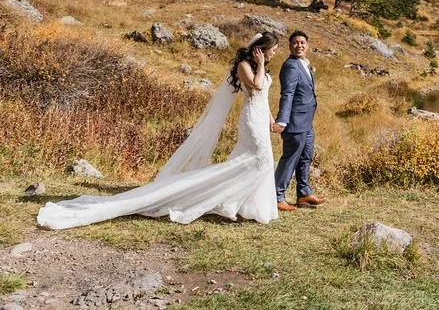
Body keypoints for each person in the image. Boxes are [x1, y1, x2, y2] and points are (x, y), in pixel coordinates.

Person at [37, 33, 281, 230]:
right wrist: (260, 64)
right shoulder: (244, 66)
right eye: (273, 49)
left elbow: (264, 98)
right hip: (250, 120)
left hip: (261, 118)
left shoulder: (263, 70)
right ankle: (222, 199)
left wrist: (271, 119)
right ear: (260, 50)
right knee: (260, 160)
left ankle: (244, 206)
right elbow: (256, 87)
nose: (274, 53)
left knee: (255, 162)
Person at [272, 31, 324, 210]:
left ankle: (304, 194)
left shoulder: (303, 64)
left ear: (307, 45)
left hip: (307, 122)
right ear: (290, 46)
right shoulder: (291, 66)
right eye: (295, 42)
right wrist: (283, 120)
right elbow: (287, 94)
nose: (299, 45)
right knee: (290, 159)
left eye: (302, 42)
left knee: (305, 158)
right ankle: (277, 196)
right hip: (295, 122)